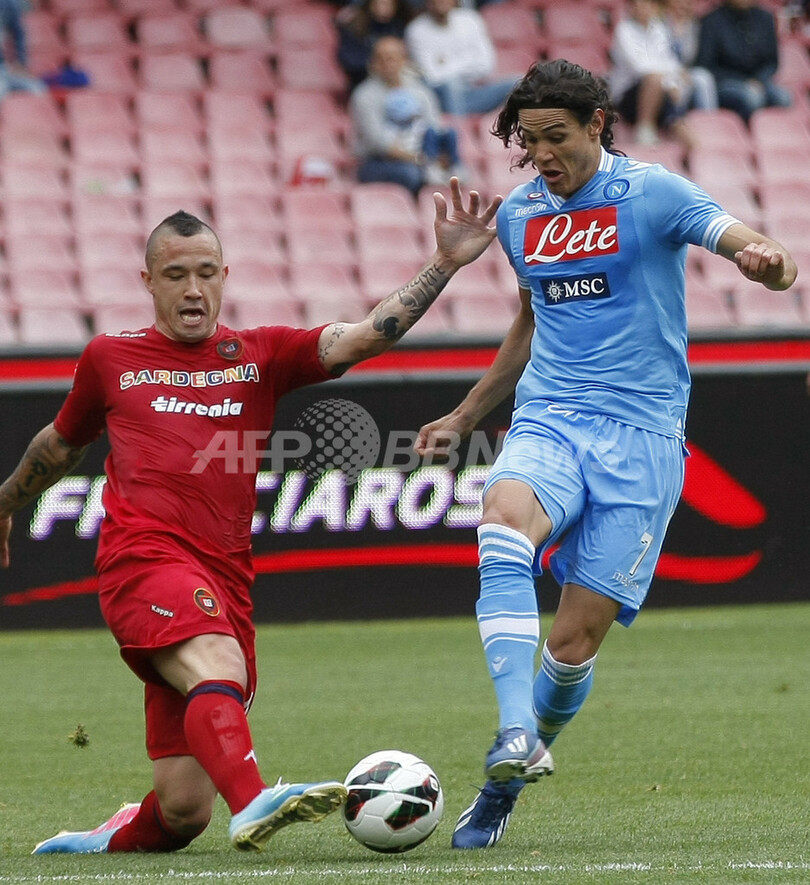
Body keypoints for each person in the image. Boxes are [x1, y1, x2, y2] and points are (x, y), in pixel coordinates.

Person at [0, 181, 502, 855]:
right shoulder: (110, 357)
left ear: (225, 276)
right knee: (219, 661)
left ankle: (101, 838)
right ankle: (255, 801)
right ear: (148, 281)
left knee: (182, 810)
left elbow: (364, 337)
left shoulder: (260, 353)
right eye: (176, 275)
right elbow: (60, 444)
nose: (193, 289)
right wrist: (5, 504)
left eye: (206, 273)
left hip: (225, 576)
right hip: (142, 557)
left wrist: (443, 263)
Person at [414, 58, 797, 850]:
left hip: (643, 438)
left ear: (596, 124)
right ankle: (514, 729)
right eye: (528, 141)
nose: (541, 155)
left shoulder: (653, 193)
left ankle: (501, 786)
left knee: (572, 644)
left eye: (555, 136)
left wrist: (768, 262)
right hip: (551, 416)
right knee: (503, 515)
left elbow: (754, 247)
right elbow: (532, 319)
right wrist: (467, 412)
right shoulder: (521, 215)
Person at [350, 36, 465, 196]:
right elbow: (377, 142)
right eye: (380, 59)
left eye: (391, 58)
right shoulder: (364, 95)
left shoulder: (420, 91)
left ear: (403, 60)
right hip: (378, 161)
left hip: (421, 155)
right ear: (373, 63)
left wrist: (436, 155)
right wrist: (420, 159)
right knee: (411, 175)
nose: (386, 64)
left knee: (457, 170)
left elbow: (435, 126)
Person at [404, 0, 518, 116]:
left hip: (476, 90)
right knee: (451, 85)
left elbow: (486, 65)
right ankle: (459, 125)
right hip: (442, 98)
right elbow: (432, 76)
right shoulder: (416, 29)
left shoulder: (470, 19)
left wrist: (445, 63)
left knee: (517, 82)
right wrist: (469, 60)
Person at [608, 0, 696, 147]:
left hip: (661, 90)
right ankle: (645, 128)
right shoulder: (624, 30)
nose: (644, 8)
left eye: (648, 4)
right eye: (639, 4)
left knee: (685, 82)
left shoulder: (659, 29)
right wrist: (670, 79)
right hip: (628, 95)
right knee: (654, 80)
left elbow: (669, 60)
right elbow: (639, 67)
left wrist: (672, 81)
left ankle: (691, 146)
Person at [695, 0, 792, 123]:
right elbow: (706, 65)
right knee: (752, 98)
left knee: (783, 98)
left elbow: (772, 62)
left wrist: (759, 80)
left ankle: (771, 132)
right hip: (725, 82)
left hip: (758, 81)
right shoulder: (712, 20)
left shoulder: (765, 18)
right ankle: (738, 131)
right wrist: (745, 82)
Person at [336, 0, 416, 92]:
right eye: (378, 3)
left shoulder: (400, 26)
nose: (382, 8)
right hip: (363, 79)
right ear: (369, 4)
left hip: (396, 79)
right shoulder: (356, 26)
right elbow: (348, 60)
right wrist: (377, 64)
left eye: (387, 4)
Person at [662, 0, 718, 111]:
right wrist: (677, 71)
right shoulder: (659, 23)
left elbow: (697, 56)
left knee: (703, 77)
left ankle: (709, 117)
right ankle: (675, 118)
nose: (682, 5)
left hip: (687, 71)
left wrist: (685, 71)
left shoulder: (695, 26)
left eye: (687, 2)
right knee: (676, 84)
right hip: (663, 70)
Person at [0, 0, 46, 98]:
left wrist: (21, 63)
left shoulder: (8, 3)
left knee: (38, 88)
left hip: (5, 68)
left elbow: (18, 34)